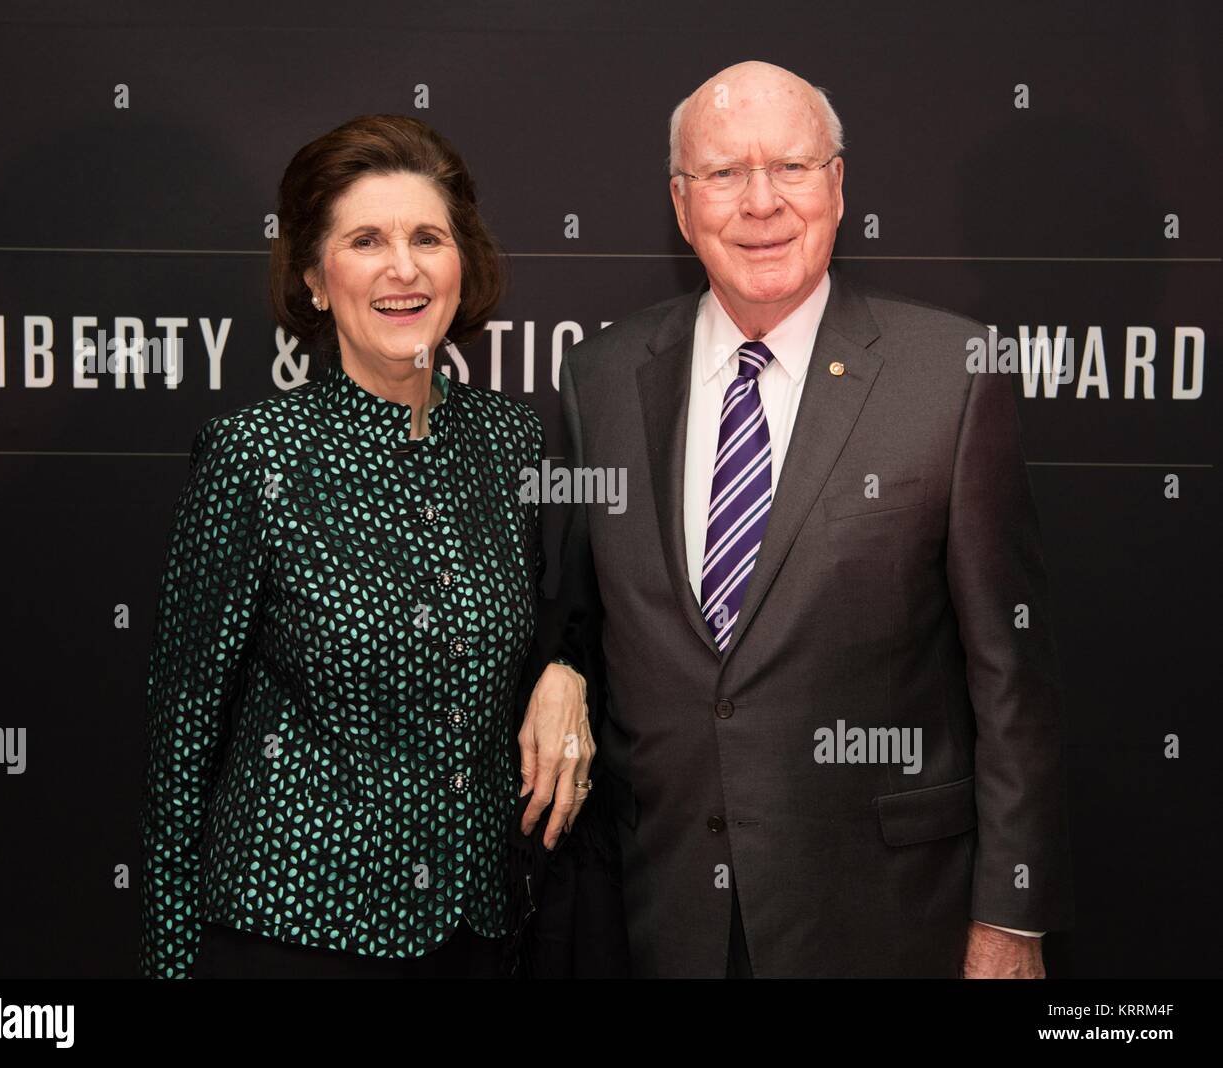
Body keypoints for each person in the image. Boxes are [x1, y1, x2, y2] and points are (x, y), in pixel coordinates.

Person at [518, 61, 1075, 978]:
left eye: (792, 167)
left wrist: (1010, 921)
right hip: (659, 916)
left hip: (886, 919)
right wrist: (561, 668)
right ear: (681, 201)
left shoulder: (952, 373)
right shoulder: (602, 379)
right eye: (725, 174)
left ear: (840, 186)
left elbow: (1010, 676)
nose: (761, 203)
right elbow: (577, 610)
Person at [139, 114, 544, 979]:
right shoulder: (256, 453)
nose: (403, 268)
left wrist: (565, 675)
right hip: (296, 928)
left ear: (461, 265)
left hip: (476, 932)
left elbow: (553, 626)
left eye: (427, 238)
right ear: (318, 279)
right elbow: (181, 737)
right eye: (366, 240)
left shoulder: (511, 444)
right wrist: (169, 963)